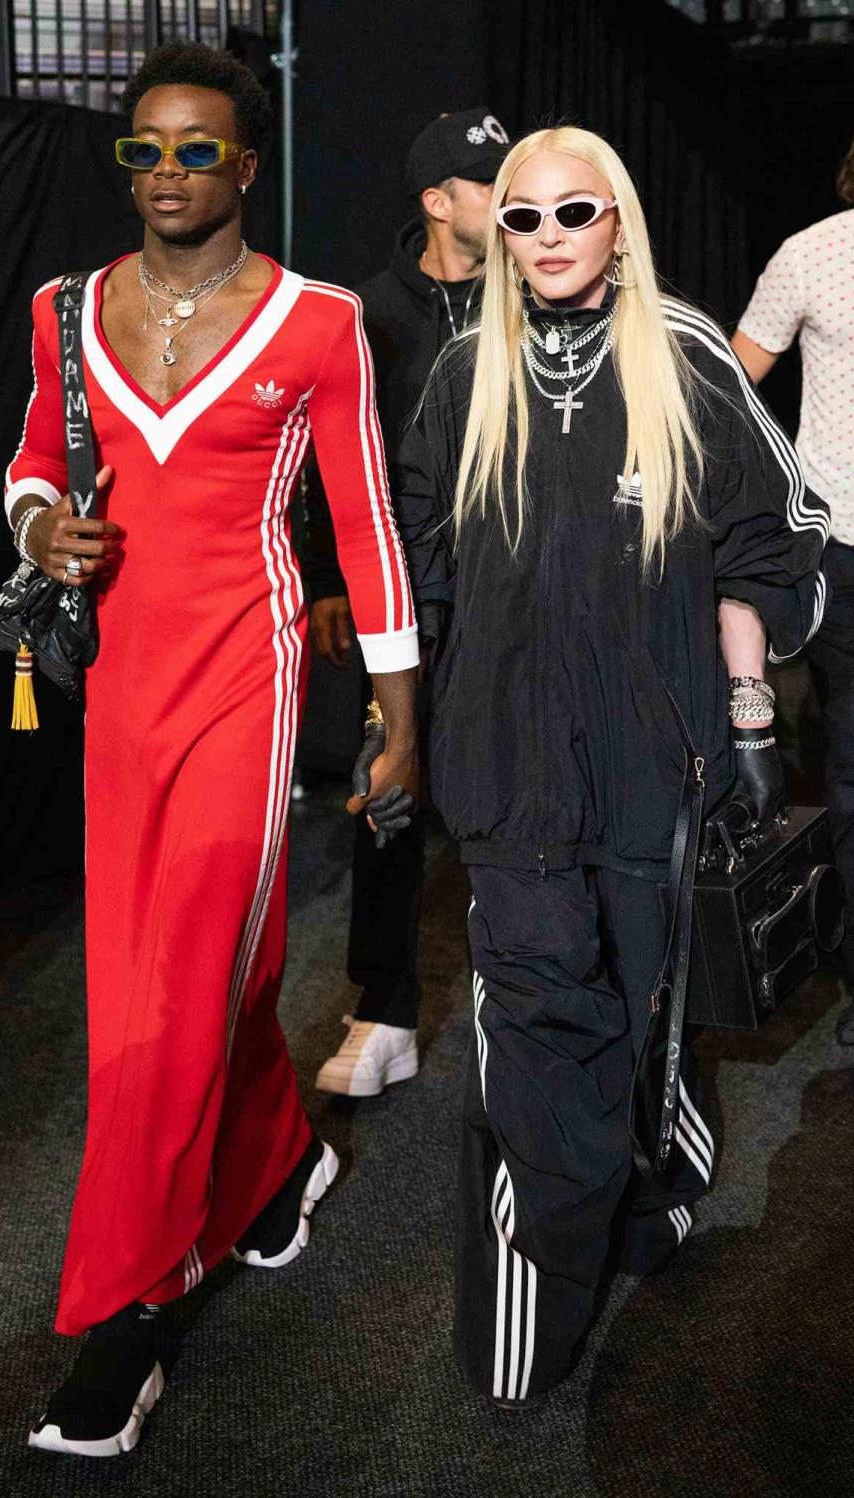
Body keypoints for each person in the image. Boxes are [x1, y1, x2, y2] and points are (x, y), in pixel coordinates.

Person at [3, 41, 418, 1457]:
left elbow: (364, 523)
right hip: (119, 698)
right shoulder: (66, 309)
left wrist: (398, 717)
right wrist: (41, 528)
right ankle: (281, 1160)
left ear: (247, 166)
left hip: (252, 686)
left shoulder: (317, 321)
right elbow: (31, 466)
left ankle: (124, 1320)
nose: (166, 172)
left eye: (196, 149)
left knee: (176, 997)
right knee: (153, 986)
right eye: (144, 148)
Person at [397, 125, 828, 1404]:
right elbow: (414, 543)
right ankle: (538, 1301)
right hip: (507, 774)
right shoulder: (465, 370)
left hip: (662, 762)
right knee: (539, 1032)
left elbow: (770, 537)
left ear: (619, 222)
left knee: (643, 1009)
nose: (544, 239)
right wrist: (406, 710)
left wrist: (751, 717)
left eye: (572, 213)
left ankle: (653, 1193)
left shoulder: (687, 355)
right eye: (519, 218)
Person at [306, 108, 510, 1098]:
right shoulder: (369, 315)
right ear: (439, 202)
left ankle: (534, 1001)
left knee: (531, 794)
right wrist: (331, 577)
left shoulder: (541, 292)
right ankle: (383, 1008)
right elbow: (323, 457)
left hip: (519, 597)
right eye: (487, 180)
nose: (510, 195)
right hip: (405, 596)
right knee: (387, 790)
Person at [732, 127, 854, 1045]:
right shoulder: (811, 253)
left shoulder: (809, 250)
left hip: (841, 538)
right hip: (844, 546)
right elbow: (733, 386)